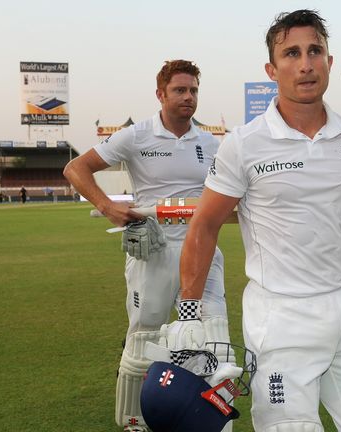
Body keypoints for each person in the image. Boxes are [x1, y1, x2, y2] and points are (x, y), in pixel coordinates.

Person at [176, 10, 341, 432]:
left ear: (329, 62)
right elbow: (205, 225)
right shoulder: (245, 144)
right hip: (280, 316)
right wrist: (189, 311)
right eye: (291, 53)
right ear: (272, 69)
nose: (305, 64)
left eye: (315, 51)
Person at [63, 60, 232, 432]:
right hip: (154, 250)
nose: (188, 97)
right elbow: (76, 168)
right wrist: (106, 206)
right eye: (180, 90)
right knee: (146, 334)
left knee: (212, 333)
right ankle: (135, 418)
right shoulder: (136, 135)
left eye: (193, 91)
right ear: (161, 94)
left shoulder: (209, 141)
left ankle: (214, 419)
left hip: (203, 248)